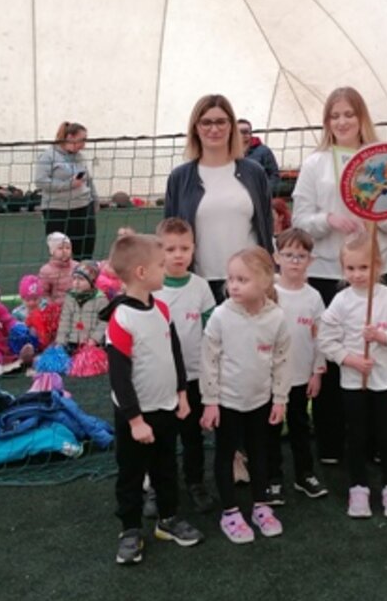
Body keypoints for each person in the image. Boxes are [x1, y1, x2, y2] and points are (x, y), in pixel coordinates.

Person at [292, 86, 387, 464]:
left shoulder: (383, 160)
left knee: (380, 356)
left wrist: (378, 215)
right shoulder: (315, 164)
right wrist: (328, 220)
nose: (342, 122)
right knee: (334, 357)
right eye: (334, 115)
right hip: (329, 272)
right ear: (327, 122)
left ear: (362, 118)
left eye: (349, 114)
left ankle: (381, 444)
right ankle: (332, 444)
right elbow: (300, 221)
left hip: (381, 270)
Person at [103, 233, 202, 565]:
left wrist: (181, 393)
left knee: (166, 468)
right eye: (161, 265)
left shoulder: (161, 308)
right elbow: (119, 378)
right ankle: (130, 530)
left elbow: (174, 353)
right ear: (142, 272)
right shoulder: (121, 318)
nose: (167, 268)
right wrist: (134, 420)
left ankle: (168, 519)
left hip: (166, 407)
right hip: (136, 417)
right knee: (131, 474)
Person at [200, 247, 290, 544]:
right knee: (225, 454)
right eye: (231, 279)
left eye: (242, 279)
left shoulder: (276, 317)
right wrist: (210, 401)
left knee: (259, 453)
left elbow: (281, 359)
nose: (234, 286)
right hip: (226, 403)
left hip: (260, 402)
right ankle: (230, 511)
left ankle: (261, 506)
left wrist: (280, 398)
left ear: (265, 282)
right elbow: (209, 360)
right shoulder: (221, 316)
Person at [319, 235, 387, 517]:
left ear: (378, 266)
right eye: (350, 268)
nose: (357, 274)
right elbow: (325, 340)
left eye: (363, 267)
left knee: (386, 435)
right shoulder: (341, 300)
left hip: (385, 381)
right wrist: (351, 360)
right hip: (352, 381)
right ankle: (358, 488)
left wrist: (381, 336)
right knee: (356, 435)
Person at [164, 96, 273, 302]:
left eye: (221, 121)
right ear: (196, 128)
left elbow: (266, 225)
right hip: (199, 283)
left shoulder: (254, 173)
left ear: (231, 126)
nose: (214, 129)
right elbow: (169, 233)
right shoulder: (180, 178)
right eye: (206, 122)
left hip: (248, 282)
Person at [153, 218, 217, 514]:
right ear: (159, 251)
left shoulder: (200, 287)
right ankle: (157, 485)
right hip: (162, 379)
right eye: (170, 249)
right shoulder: (153, 288)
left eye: (184, 248)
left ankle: (195, 482)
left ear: (193, 249)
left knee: (192, 435)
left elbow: (211, 332)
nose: (178, 255)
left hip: (193, 376)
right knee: (161, 436)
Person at [270, 229, 329, 502]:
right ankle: (273, 478)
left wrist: (317, 372)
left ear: (310, 260)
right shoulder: (268, 292)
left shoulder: (313, 297)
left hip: (300, 376)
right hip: (270, 378)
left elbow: (320, 338)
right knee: (270, 429)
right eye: (288, 255)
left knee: (300, 426)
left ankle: (304, 475)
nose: (294, 261)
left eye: (301, 256)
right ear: (276, 258)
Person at [35, 122, 98, 260]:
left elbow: (88, 179)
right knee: (61, 255)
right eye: (82, 140)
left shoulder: (80, 156)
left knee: (86, 253)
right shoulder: (48, 156)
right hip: (57, 210)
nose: (84, 144)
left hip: (83, 207)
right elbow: (40, 181)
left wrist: (95, 199)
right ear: (70, 137)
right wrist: (68, 184)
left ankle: (83, 273)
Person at [54, 263, 109, 351]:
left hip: (91, 343)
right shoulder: (70, 297)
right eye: (74, 278)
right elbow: (65, 320)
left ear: (92, 282)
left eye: (81, 279)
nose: (76, 282)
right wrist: (60, 341)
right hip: (72, 341)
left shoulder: (101, 299)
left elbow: (104, 322)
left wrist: (94, 339)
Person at [237, 118, 281, 195]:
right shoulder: (229, 152)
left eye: (246, 132)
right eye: (239, 132)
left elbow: (274, 175)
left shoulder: (264, 151)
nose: (243, 135)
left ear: (250, 133)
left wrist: (265, 193)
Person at [38, 232, 77, 303]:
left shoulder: (77, 266)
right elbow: (44, 294)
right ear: (52, 251)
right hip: (56, 307)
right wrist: (52, 306)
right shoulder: (46, 271)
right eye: (60, 248)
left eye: (68, 248)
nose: (65, 251)